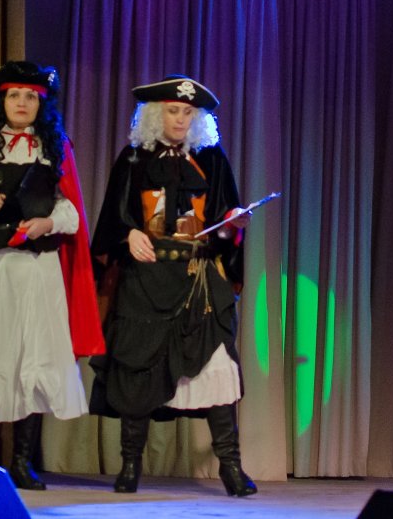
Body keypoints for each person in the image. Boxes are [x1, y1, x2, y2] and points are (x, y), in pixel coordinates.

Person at [0, 61, 104, 490]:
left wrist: (49, 222)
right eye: (14, 95)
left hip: (34, 268)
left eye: (31, 97)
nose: (22, 103)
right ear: (2, 101)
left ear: (41, 104)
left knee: (33, 354)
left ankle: (23, 462)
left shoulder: (54, 145)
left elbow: (70, 208)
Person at [89, 75, 257, 497]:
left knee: (217, 367)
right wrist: (128, 234)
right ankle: (130, 465)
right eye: (172, 110)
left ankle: (231, 467)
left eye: (187, 112)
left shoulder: (212, 158)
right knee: (138, 367)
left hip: (197, 280)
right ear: (155, 114)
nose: (180, 119)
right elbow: (112, 219)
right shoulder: (133, 157)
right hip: (145, 281)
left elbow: (225, 221)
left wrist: (232, 224)